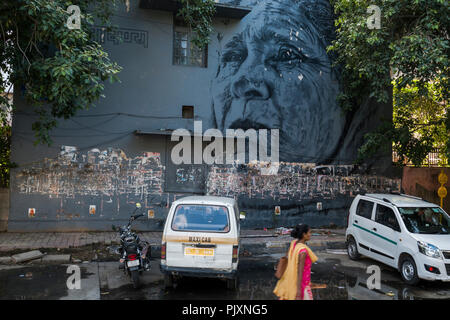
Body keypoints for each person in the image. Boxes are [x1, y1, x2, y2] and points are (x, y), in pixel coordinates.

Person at [273, 224, 318, 300]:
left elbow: (287, 258)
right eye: (309, 232)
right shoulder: (303, 251)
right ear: (304, 234)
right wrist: (299, 291)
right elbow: (300, 272)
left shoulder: (293, 243)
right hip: (301, 284)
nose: (310, 235)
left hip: (289, 280)